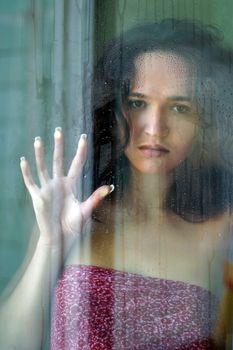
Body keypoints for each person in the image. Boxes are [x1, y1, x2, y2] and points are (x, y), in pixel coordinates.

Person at [1, 19, 233, 349]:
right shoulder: (74, 214)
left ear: (204, 122)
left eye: (180, 107)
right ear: (113, 108)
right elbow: (11, 341)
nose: (155, 127)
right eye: (137, 103)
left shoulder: (219, 229)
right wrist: (51, 244)